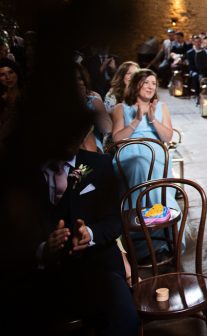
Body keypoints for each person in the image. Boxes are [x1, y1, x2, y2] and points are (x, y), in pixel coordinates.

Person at [35, 108, 138, 336]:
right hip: (45, 276)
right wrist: (43, 250)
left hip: (99, 266)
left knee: (125, 321)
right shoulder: (26, 175)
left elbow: (115, 221)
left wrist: (90, 234)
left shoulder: (99, 165)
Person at [110, 69, 180, 259]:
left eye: (153, 83)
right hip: (129, 151)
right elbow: (117, 139)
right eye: (146, 82)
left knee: (151, 165)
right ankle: (138, 241)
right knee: (140, 164)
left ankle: (160, 242)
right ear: (136, 84)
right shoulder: (120, 108)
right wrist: (137, 120)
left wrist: (152, 119)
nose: (150, 87)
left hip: (155, 151)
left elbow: (167, 136)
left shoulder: (161, 106)